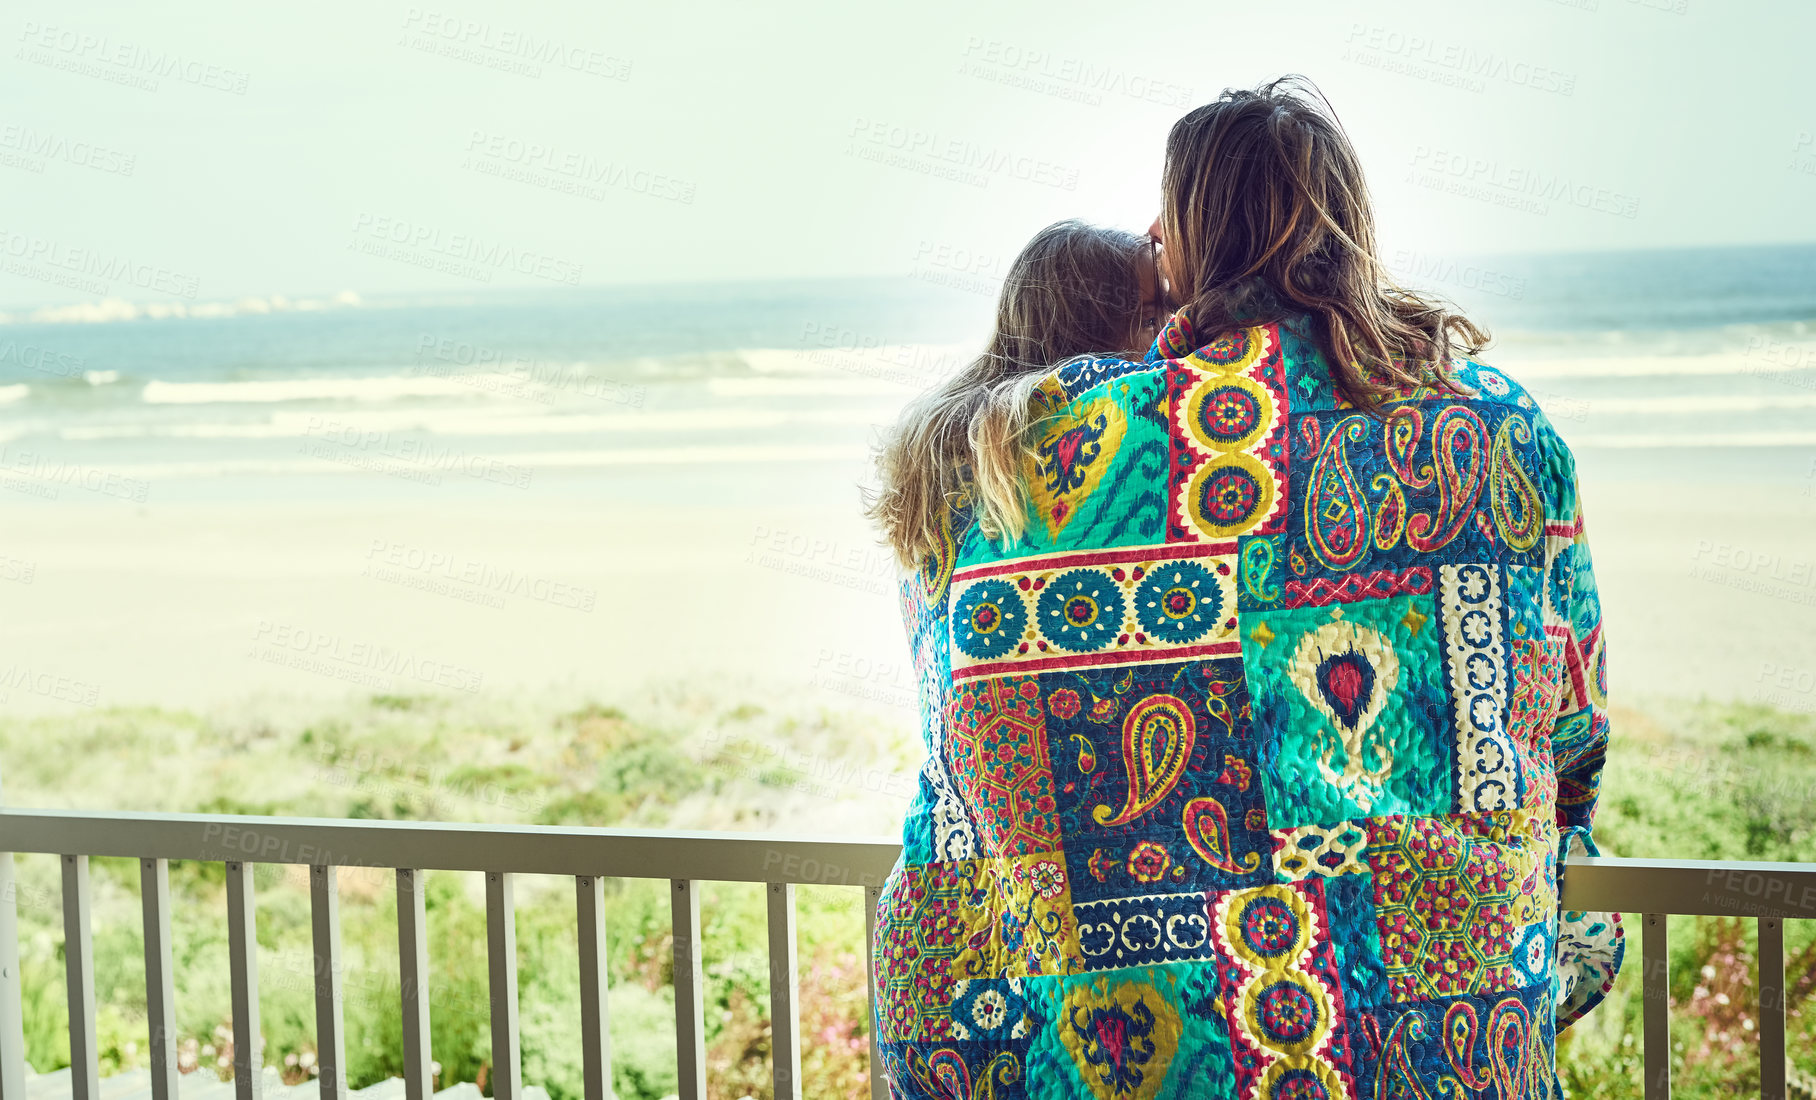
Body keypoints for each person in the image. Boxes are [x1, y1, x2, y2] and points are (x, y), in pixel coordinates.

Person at [866, 76, 1623, 1099]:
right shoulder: (1489, 427)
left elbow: (958, 699)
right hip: (1427, 1042)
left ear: (1198, 238)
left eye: (1167, 212)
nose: (1146, 232)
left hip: (1130, 1053)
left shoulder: (1052, 449)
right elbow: (1570, 716)